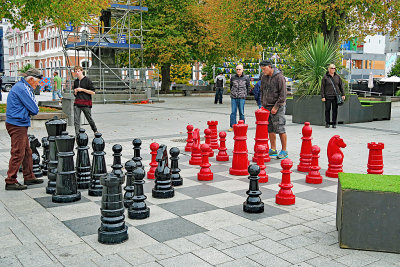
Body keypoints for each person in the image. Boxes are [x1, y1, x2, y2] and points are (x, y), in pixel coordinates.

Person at [5, 68, 44, 190]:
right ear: (31, 79)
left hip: (18, 123)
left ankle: (29, 176)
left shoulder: (21, 86)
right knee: (18, 152)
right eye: (37, 81)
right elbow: (35, 109)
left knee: (27, 151)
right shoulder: (24, 88)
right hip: (17, 124)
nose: (38, 84)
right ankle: (10, 180)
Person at [259, 60, 288, 159]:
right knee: (270, 128)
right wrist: (262, 104)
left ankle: (284, 150)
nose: (263, 71)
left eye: (264, 69)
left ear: (270, 67)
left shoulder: (279, 77)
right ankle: (273, 149)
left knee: (280, 128)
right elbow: (262, 91)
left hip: (278, 106)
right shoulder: (264, 77)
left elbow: (283, 95)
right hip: (267, 106)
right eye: (262, 69)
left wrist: (276, 107)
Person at [73, 66, 98, 136]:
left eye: (78, 71)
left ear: (82, 71)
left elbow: (93, 92)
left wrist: (82, 89)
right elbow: (75, 94)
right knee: (76, 120)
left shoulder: (87, 80)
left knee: (89, 118)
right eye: (75, 71)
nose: (77, 73)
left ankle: (95, 130)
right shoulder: (75, 82)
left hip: (86, 103)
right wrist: (75, 91)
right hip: (77, 103)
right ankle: (77, 135)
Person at [321, 64, 345, 128]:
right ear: (329, 69)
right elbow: (322, 87)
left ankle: (334, 123)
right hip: (328, 96)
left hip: (335, 96)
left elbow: (341, 86)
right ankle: (327, 123)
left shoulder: (337, 77)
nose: (333, 69)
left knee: (335, 110)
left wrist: (343, 94)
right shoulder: (325, 77)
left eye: (334, 68)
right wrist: (323, 96)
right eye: (332, 68)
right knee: (327, 110)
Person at [229, 64, 250, 131]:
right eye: (237, 69)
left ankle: (242, 125)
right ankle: (232, 126)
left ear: (242, 70)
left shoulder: (246, 78)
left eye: (239, 69)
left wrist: (245, 94)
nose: (238, 70)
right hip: (234, 97)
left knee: (241, 112)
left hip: (242, 97)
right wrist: (232, 93)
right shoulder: (233, 77)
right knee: (233, 112)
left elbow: (248, 87)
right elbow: (231, 86)